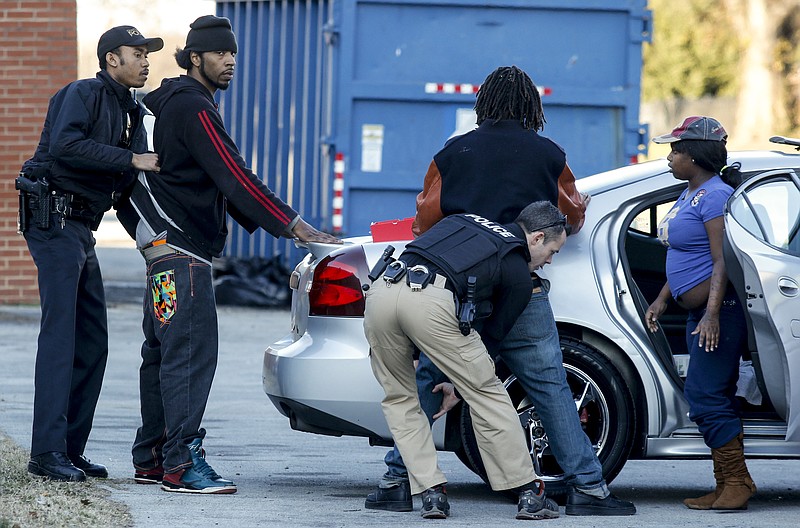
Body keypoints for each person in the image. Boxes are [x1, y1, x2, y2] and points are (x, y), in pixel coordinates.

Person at [365, 65, 636, 516]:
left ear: (483, 104)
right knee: (549, 384)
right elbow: (565, 217)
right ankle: (588, 489)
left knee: (429, 384)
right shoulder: (548, 154)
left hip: (450, 290)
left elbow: (425, 220)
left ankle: (398, 482)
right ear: (532, 106)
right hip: (517, 285)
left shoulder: (453, 153)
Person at [121, 15, 341, 494]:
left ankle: (153, 456)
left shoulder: (162, 102)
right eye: (221, 53)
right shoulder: (195, 108)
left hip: (160, 251)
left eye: (234, 54)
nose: (231, 62)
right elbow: (235, 177)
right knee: (191, 353)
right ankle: (181, 464)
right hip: (182, 252)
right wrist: (295, 227)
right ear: (195, 57)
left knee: (162, 354)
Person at [17, 26, 163, 482]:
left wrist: (152, 241)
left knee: (93, 342)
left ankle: (68, 451)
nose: (144, 61)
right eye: (135, 54)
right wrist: (131, 159)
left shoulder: (131, 111)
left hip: (82, 228)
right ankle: (45, 454)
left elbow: (124, 191)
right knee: (61, 336)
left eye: (146, 55)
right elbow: (66, 146)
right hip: (54, 222)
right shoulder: (81, 93)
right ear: (110, 60)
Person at [365, 202, 567, 520]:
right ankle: (530, 493)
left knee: (400, 399)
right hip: (431, 303)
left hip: (382, 291)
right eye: (553, 251)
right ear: (537, 238)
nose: (549, 261)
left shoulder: (463, 221)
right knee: (487, 394)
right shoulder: (517, 271)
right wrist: (461, 382)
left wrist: (422, 358)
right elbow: (490, 341)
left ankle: (427, 493)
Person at [645, 116, 754, 510]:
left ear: (693, 154)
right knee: (712, 393)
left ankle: (737, 481)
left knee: (704, 394)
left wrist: (710, 313)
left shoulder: (714, 196)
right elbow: (684, 258)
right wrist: (661, 299)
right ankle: (728, 483)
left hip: (719, 312)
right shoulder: (690, 193)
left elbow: (720, 260)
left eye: (675, 151)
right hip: (701, 312)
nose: (670, 158)